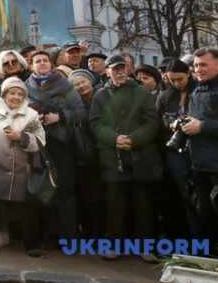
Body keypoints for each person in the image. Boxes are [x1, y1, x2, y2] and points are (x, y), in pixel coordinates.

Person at [88, 54, 162, 261]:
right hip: (113, 158)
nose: (119, 72)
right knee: (114, 204)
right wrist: (114, 139)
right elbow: (94, 123)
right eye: (115, 68)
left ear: (129, 70)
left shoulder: (142, 92)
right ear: (108, 71)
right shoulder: (100, 95)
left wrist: (134, 139)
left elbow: (152, 122)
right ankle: (114, 246)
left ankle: (146, 247)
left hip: (140, 156)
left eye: (123, 68)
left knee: (143, 205)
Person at [0, 76, 45, 257]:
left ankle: (32, 245)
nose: (16, 97)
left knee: (28, 210)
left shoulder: (32, 115)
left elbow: (41, 142)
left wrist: (21, 138)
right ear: (5, 94)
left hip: (22, 169)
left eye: (20, 94)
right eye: (12, 93)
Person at [25, 49, 85, 247]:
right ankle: (47, 237)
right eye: (37, 61)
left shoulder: (64, 85)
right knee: (42, 191)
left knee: (65, 190)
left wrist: (59, 116)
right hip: (38, 147)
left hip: (62, 144)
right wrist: (35, 119)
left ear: (51, 64)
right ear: (31, 65)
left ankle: (68, 237)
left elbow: (80, 112)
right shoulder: (25, 87)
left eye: (45, 60)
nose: (41, 63)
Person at [183, 49, 218, 244]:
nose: (198, 69)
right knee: (207, 220)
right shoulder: (198, 89)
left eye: (203, 65)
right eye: (196, 65)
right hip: (199, 165)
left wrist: (202, 126)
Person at [155, 58, 200, 237]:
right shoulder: (165, 96)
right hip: (174, 151)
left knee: (198, 197)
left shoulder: (199, 91)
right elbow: (157, 122)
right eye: (171, 80)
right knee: (182, 196)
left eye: (180, 79)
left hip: (196, 149)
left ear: (189, 74)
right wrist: (170, 124)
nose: (176, 83)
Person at [68, 68, 104, 238]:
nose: (81, 86)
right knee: (88, 198)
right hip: (84, 157)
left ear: (90, 81)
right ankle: (91, 234)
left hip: (103, 154)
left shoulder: (102, 98)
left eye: (83, 82)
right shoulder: (74, 106)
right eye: (76, 85)